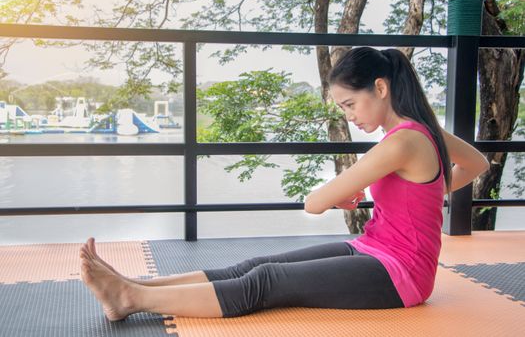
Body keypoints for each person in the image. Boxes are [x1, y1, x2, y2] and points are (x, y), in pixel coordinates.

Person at [79, 46, 490, 321]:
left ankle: (130, 299)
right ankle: (135, 284)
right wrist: (420, 195)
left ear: (380, 88)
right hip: (372, 247)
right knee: (252, 266)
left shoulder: (400, 141)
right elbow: (476, 164)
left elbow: (314, 203)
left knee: (267, 282)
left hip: (401, 273)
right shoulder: (422, 130)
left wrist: (343, 193)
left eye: (350, 104)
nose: (349, 116)